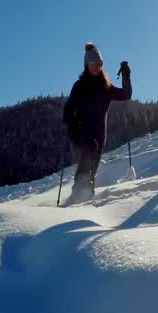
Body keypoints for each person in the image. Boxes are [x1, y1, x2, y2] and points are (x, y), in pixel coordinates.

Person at [62, 42, 132, 203]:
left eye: (99, 64)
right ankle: (77, 197)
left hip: (99, 135)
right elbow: (68, 110)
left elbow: (126, 94)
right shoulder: (80, 86)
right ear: (87, 64)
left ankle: (85, 199)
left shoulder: (105, 87)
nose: (96, 67)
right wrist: (73, 126)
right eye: (93, 63)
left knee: (92, 168)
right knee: (86, 160)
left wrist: (126, 75)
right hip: (81, 133)